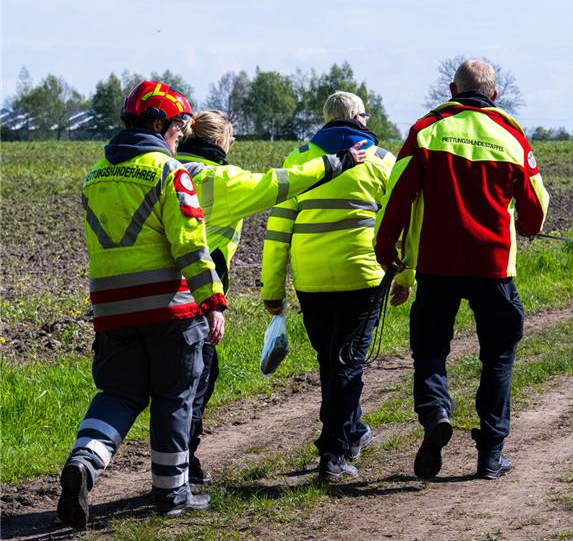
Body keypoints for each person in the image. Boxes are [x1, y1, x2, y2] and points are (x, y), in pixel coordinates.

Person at [58, 81, 227, 527]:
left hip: (112, 313)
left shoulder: (94, 175)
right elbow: (191, 244)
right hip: (171, 311)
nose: (180, 136)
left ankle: (85, 462)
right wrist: (213, 302)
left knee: (118, 393)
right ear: (157, 123)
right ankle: (172, 494)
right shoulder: (169, 172)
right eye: (177, 127)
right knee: (174, 396)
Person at [374, 59, 549, 480]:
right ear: (495, 94)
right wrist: (525, 227)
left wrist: (386, 249)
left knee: (430, 348)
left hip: (437, 265)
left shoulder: (426, 131)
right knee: (498, 357)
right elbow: (535, 212)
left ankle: (436, 412)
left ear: (453, 88)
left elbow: (396, 196)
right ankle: (490, 455)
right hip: (494, 267)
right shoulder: (511, 136)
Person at [176, 109, 365, 486]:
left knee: (151, 388)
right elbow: (282, 183)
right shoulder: (219, 179)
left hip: (144, 290)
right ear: (218, 141)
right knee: (196, 381)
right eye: (230, 138)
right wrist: (339, 162)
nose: (232, 144)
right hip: (192, 296)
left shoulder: (166, 169)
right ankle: (180, 470)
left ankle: (99, 455)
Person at [261, 92, 410, 481]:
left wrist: (272, 289)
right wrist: (407, 274)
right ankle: (333, 452)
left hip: (310, 280)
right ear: (358, 119)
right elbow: (405, 220)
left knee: (333, 361)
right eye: (366, 115)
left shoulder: (299, 160)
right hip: (361, 278)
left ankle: (354, 431)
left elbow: (278, 231)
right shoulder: (380, 161)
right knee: (346, 363)